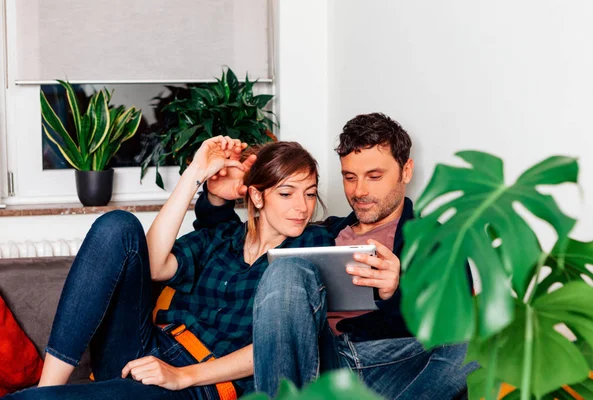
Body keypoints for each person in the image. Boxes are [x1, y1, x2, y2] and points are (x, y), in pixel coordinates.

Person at [5, 137, 334, 400]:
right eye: (287, 193)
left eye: (310, 194)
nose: (302, 207)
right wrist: (195, 174)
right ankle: (48, 386)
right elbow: (155, 265)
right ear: (257, 197)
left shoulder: (314, 247)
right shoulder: (222, 238)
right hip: (149, 351)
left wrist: (180, 376)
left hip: (199, 383)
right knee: (118, 225)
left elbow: (286, 342)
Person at [193, 114, 478, 399]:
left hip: (383, 365)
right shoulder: (323, 232)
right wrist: (218, 198)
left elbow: (452, 324)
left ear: (406, 171)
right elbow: (233, 241)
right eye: (349, 177)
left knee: (472, 344)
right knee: (286, 269)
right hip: (316, 356)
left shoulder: (435, 240)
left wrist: (394, 291)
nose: (359, 191)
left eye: (374, 176)